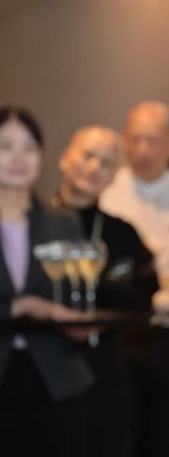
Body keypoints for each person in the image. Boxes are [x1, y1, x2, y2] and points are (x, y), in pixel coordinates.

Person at [100, 100, 169, 456]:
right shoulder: (108, 190)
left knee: (167, 437)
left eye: (153, 140)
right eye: (135, 139)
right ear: (124, 140)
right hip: (119, 332)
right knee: (118, 435)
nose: (143, 149)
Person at [55, 125, 159, 457]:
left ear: (114, 175)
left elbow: (146, 298)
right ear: (65, 159)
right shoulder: (34, 222)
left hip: (105, 366)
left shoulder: (122, 233)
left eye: (106, 162)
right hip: (42, 363)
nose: (94, 167)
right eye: (87, 155)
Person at [0, 106, 94, 456]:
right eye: (6, 146)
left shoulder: (62, 223)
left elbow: (73, 297)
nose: (18, 158)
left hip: (54, 376)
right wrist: (19, 307)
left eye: (29, 147)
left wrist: (79, 323)